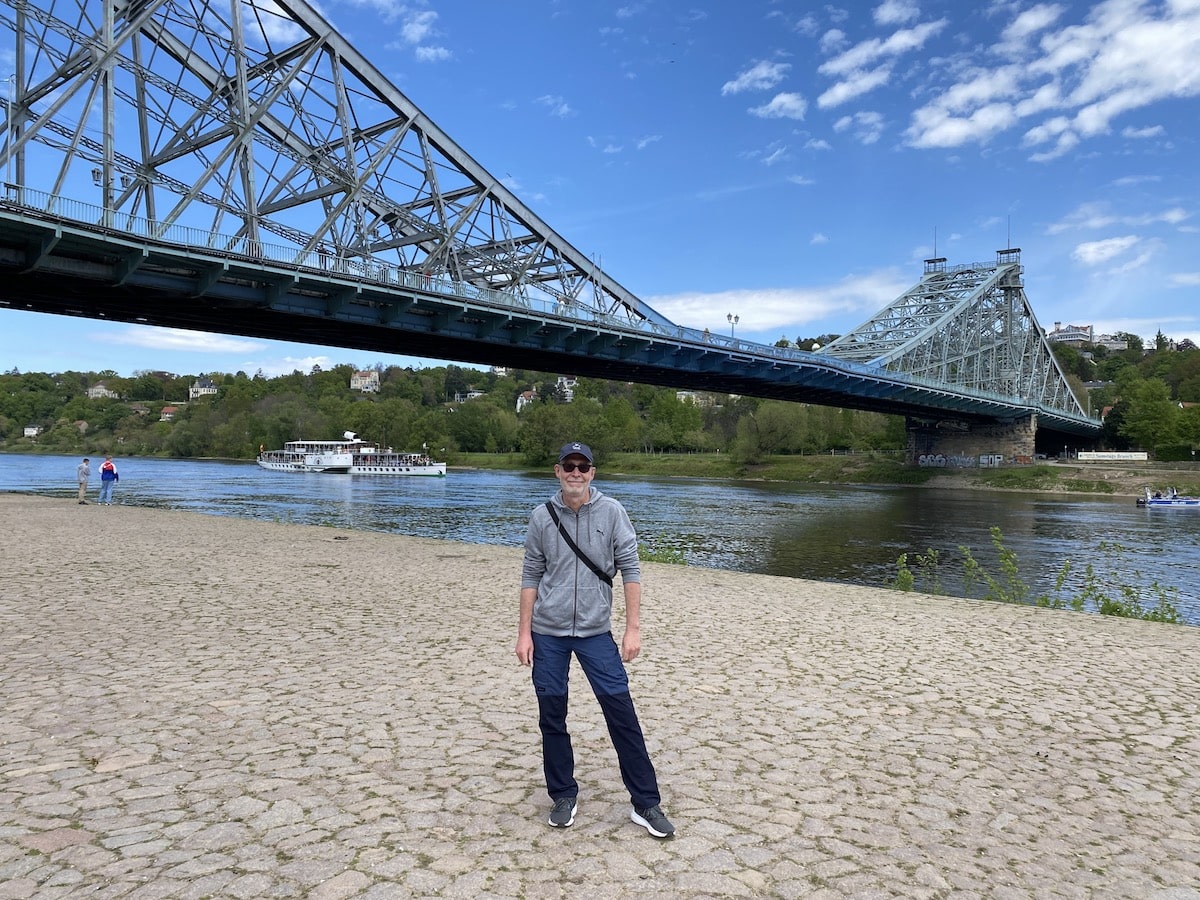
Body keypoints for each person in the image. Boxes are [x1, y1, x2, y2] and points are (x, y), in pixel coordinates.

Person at [515, 441, 675, 839]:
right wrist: (523, 633)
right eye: (568, 465)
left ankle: (645, 803)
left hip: (595, 633)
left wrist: (633, 627)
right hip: (547, 634)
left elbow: (631, 570)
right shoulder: (541, 517)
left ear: (592, 472)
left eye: (582, 466)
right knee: (552, 716)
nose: (575, 472)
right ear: (557, 471)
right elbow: (531, 575)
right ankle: (563, 795)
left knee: (622, 714)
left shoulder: (612, 512)